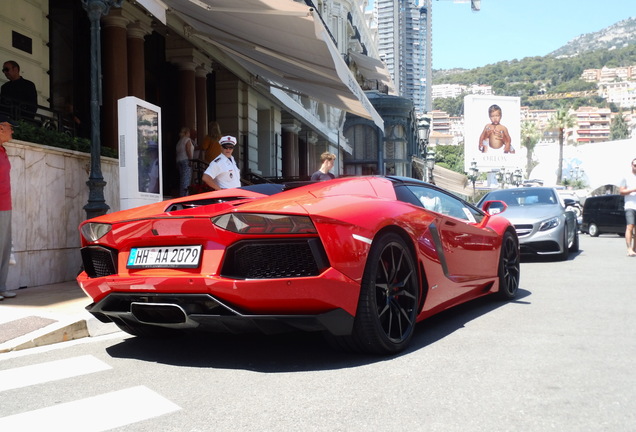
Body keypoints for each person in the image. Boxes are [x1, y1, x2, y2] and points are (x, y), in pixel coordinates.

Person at [0, 113, 17, 300]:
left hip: (6, 205)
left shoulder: (3, 151)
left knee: (4, 248)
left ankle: (2, 287)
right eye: (10, 127)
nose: (12, 131)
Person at [619, 157, 636, 257]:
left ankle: (634, 248)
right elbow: (621, 191)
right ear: (631, 165)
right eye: (635, 165)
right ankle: (629, 249)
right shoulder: (626, 177)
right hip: (630, 206)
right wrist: (633, 190)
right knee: (630, 226)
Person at [175, 126, 194, 197]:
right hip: (186, 160)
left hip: (179, 161)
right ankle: (185, 196)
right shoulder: (187, 140)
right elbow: (188, 150)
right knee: (186, 179)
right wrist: (191, 159)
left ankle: (181, 194)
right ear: (187, 132)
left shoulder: (179, 141)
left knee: (182, 179)